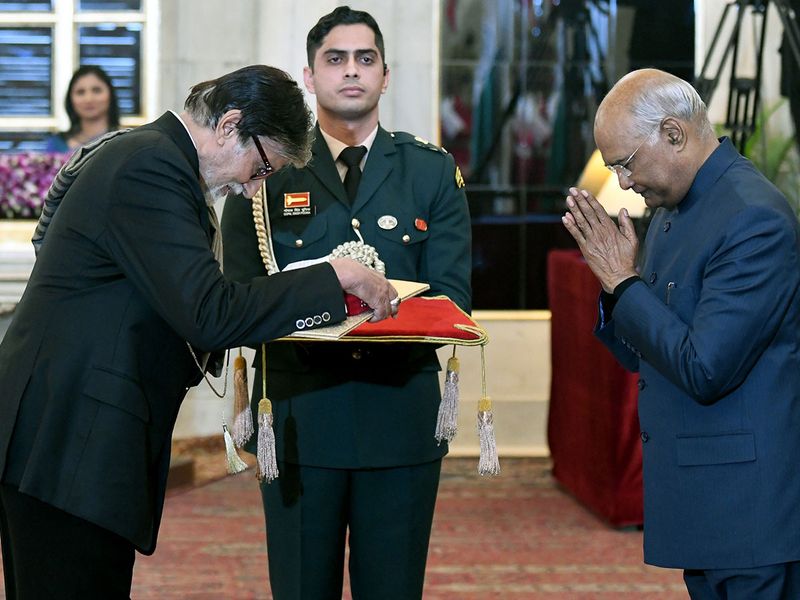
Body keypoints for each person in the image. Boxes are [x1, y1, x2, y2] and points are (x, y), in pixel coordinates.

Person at [0, 64, 399, 599]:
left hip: (69, 437)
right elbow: (210, 311)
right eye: (261, 169)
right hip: (68, 441)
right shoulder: (152, 166)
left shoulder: (152, 158)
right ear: (231, 124)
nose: (250, 188)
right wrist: (335, 279)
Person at [220, 7, 471, 599]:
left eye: (366, 59)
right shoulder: (265, 175)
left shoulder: (431, 172)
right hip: (302, 420)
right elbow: (239, 299)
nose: (351, 72)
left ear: (387, 74)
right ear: (308, 75)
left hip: (399, 419)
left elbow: (452, 299)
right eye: (335, 59)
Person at [562, 68, 800, 599]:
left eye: (625, 164)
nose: (623, 183)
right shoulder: (674, 212)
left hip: (750, 514)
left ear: (673, 134)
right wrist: (613, 289)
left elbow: (704, 368)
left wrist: (624, 284)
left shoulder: (753, 218)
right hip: (705, 504)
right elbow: (648, 351)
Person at [45, 65, 121, 153]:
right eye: (80, 92)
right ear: (70, 99)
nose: (88, 99)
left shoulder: (125, 140)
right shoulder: (57, 144)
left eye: (96, 90)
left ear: (110, 94)